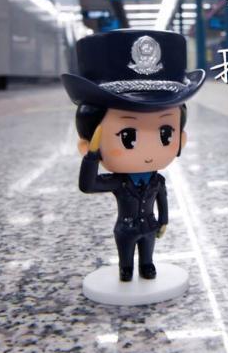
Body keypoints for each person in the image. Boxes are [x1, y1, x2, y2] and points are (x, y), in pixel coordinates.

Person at [62, 30, 205, 282]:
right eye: (127, 136)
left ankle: (147, 265)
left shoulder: (157, 181)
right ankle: (126, 269)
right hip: (126, 229)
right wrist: (92, 157)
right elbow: (89, 185)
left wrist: (163, 220)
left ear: (181, 140)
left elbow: (162, 202)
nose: (149, 150)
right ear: (86, 143)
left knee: (147, 258)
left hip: (149, 227)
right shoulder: (119, 182)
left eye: (165, 134)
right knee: (126, 260)